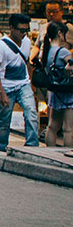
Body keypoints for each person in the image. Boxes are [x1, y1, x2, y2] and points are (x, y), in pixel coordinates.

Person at [0, 13, 40, 152]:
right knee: (4, 118)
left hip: (23, 84)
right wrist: (1, 92)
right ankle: (1, 146)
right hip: (6, 86)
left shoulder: (27, 42)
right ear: (12, 28)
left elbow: (27, 63)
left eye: (26, 30)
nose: (23, 34)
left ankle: (32, 144)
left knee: (31, 113)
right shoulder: (0, 46)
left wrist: (29, 83)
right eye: (21, 30)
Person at [40, 20, 73, 149]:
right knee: (68, 129)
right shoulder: (63, 52)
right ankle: (67, 156)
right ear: (60, 33)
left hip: (54, 92)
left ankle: (50, 152)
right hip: (67, 92)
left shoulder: (47, 51)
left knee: (52, 126)